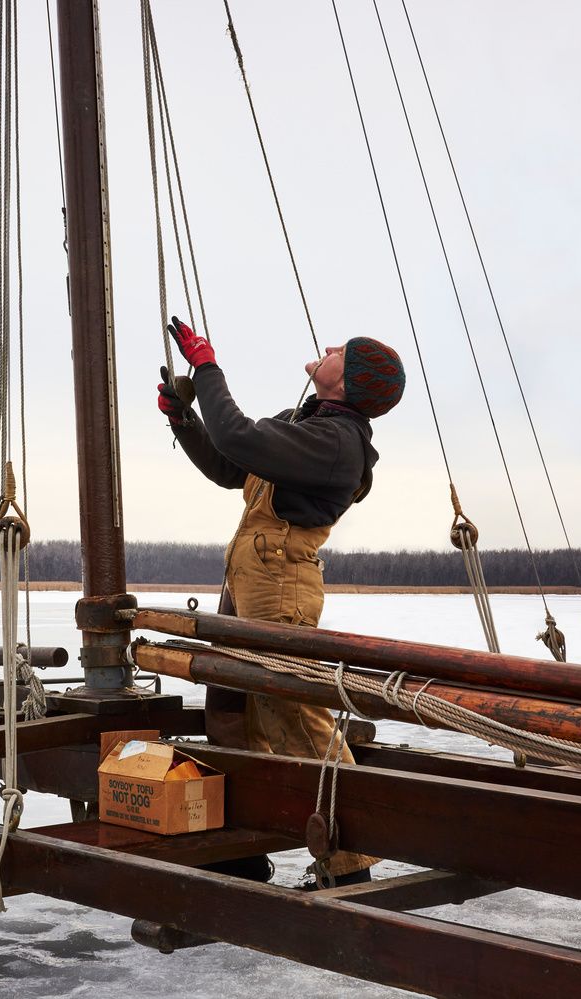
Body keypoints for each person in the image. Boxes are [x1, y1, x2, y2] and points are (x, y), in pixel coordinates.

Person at [157, 316, 405, 886]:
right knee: (231, 710)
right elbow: (228, 464)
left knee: (295, 710)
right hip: (248, 572)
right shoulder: (310, 426)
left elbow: (239, 436)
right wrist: (186, 418)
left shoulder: (336, 443)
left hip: (278, 579)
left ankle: (350, 866)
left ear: (352, 380)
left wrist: (208, 367)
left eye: (345, 350)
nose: (330, 346)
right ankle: (243, 845)